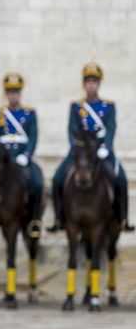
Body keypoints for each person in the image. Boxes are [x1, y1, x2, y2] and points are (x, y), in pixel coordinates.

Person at [51, 62, 130, 230]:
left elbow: (111, 128)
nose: (91, 84)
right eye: (88, 81)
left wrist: (106, 147)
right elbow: (72, 129)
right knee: (57, 178)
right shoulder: (76, 107)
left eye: (94, 81)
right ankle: (59, 218)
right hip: (81, 153)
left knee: (121, 179)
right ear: (84, 84)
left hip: (102, 151)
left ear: (99, 84)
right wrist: (76, 147)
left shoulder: (108, 106)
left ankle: (122, 218)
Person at [0, 72, 43, 234]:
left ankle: (34, 220)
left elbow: (33, 136)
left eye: (16, 92)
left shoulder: (29, 113)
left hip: (21, 159)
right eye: (10, 92)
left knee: (38, 183)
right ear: (6, 93)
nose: (13, 95)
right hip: (3, 161)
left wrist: (26, 155)